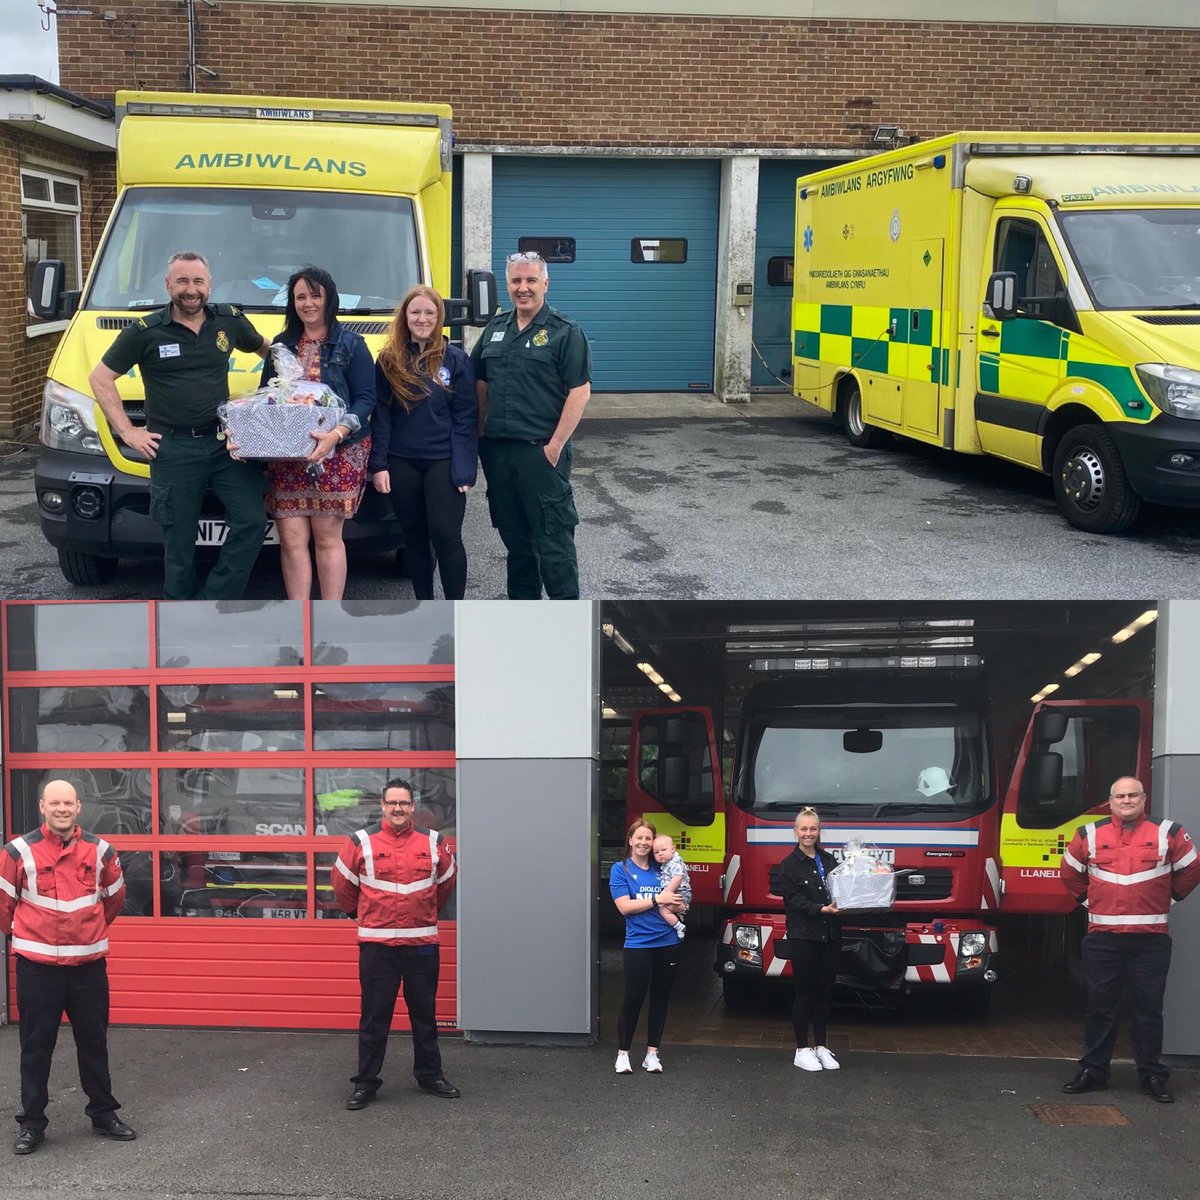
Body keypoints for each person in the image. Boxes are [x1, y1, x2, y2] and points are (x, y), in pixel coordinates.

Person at [89, 250, 270, 600]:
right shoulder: (145, 331)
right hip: (173, 448)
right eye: (182, 281)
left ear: (209, 285)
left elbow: (265, 349)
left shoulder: (228, 321)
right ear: (168, 285)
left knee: (252, 520)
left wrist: (285, 387)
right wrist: (128, 431)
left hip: (224, 444)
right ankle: (179, 613)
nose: (191, 289)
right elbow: (100, 378)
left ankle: (215, 602)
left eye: (198, 281)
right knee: (179, 542)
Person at [0, 780, 136, 1155]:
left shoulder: (101, 850)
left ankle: (104, 1114)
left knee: (94, 1043)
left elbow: (114, 900)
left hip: (88, 968)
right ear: (42, 807)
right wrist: (29, 936)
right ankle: (31, 1124)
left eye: (68, 803)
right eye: (55, 803)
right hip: (38, 968)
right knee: (35, 1047)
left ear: (78, 807)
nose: (62, 809)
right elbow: (3, 906)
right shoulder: (17, 852)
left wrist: (86, 932)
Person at [1060, 775, 1200, 1103]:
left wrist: (1168, 899)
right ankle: (1094, 1071)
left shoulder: (1169, 832)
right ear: (1110, 802)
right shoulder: (1089, 834)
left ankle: (1152, 1075)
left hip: (1150, 941)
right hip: (1102, 940)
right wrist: (1091, 901)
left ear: (1143, 799)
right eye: (1120, 796)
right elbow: (1069, 872)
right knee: (1099, 1008)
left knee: (1148, 1010)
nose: (1126, 801)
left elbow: (1192, 869)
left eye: (1133, 795)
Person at [331, 778, 459, 1109]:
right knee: (374, 1019)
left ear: (413, 806)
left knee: (425, 1016)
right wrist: (362, 915)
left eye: (404, 803)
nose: (398, 808)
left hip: (422, 944)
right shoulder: (360, 842)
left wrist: (423, 912)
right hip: (378, 947)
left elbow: (446, 882)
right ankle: (365, 1083)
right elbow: (342, 885)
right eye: (392, 803)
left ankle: (430, 1075)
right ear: (383, 806)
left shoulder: (434, 842)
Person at [472, 250, 592, 600]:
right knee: (517, 544)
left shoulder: (565, 332)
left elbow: (579, 392)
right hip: (499, 454)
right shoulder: (495, 329)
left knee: (553, 542)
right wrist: (480, 430)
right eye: (516, 281)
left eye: (530, 280)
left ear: (545, 283)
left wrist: (554, 447)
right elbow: (478, 380)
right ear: (507, 285)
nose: (523, 288)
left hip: (540, 455)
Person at [258, 266, 375, 600]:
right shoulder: (281, 346)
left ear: (329, 299)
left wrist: (336, 434)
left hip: (337, 454)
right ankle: (300, 619)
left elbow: (366, 399)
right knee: (291, 540)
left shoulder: (352, 344)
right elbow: (265, 397)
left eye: (315, 295)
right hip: (288, 457)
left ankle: (329, 617)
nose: (307, 303)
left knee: (327, 538)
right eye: (300, 297)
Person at [370, 285, 477, 599]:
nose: (422, 318)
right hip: (401, 461)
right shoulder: (389, 360)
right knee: (414, 539)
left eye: (430, 312)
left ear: (439, 317)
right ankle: (424, 608)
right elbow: (381, 415)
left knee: (446, 536)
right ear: (405, 316)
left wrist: (464, 469)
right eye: (415, 312)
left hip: (443, 461)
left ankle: (455, 610)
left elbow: (465, 418)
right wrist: (379, 465)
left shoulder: (456, 360)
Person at [608, 820, 687, 1074]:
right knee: (633, 998)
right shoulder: (620, 869)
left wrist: (677, 904)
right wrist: (657, 899)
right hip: (638, 944)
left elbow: (682, 902)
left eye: (648, 839)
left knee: (660, 999)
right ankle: (623, 1053)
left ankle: (652, 1054)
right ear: (630, 840)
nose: (643, 843)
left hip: (668, 942)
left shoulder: (662, 866)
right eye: (639, 838)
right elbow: (624, 907)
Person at [776, 806, 842, 1073]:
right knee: (804, 992)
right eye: (803, 829)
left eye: (813, 829)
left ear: (819, 831)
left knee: (824, 993)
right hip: (804, 936)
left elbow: (842, 889)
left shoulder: (829, 860)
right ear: (795, 831)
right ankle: (802, 1049)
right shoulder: (788, 865)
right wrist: (821, 909)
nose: (808, 833)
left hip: (830, 935)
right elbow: (794, 900)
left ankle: (821, 1047)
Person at [651, 833, 691, 939]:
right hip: (676, 892)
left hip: (680, 893)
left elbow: (677, 877)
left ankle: (679, 927)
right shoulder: (667, 863)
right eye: (656, 852)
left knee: (663, 910)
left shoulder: (674, 862)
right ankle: (679, 925)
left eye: (663, 850)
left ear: (673, 849)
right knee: (664, 909)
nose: (660, 854)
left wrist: (668, 892)